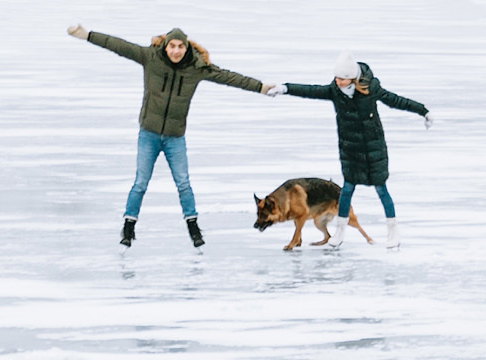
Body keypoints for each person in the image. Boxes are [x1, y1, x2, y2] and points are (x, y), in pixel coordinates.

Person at [69, 24, 279, 248]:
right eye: (172, 46)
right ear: (166, 46)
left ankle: (193, 226)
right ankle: (128, 227)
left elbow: (229, 77)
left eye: (180, 46)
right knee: (140, 183)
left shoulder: (196, 67)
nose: (176, 51)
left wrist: (260, 87)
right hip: (148, 134)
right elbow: (118, 45)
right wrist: (87, 35)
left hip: (175, 137)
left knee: (183, 183)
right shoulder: (150, 58)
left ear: (186, 48)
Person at [282, 55, 430, 249]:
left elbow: (396, 101)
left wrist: (423, 111)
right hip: (350, 149)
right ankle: (340, 231)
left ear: (352, 78)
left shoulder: (371, 89)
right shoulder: (335, 91)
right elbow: (310, 91)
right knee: (347, 189)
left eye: (342, 78)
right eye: (336, 78)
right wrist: (285, 88)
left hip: (374, 149)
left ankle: (393, 231)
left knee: (381, 189)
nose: (337, 81)